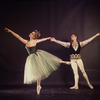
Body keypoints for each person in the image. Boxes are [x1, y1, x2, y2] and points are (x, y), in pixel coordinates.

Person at [4, 27, 70, 95]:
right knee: (42, 67)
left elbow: (18, 37)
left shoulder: (27, 42)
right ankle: (39, 86)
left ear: (34, 36)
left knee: (40, 69)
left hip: (34, 57)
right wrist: (47, 38)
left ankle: (38, 86)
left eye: (32, 33)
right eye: (31, 33)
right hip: (36, 55)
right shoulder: (34, 41)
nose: (30, 33)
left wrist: (11, 31)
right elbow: (42, 39)